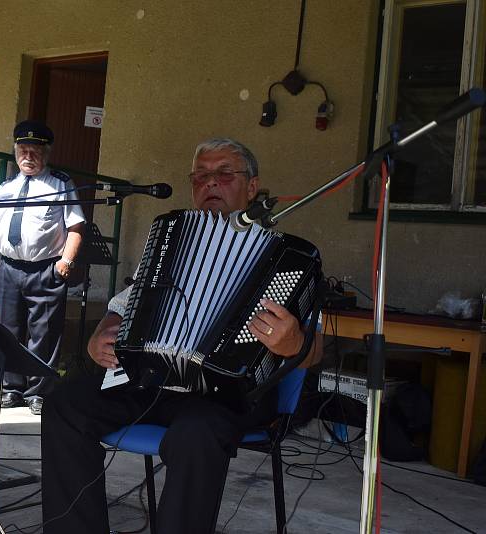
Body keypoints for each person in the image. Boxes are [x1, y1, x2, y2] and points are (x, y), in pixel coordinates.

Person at [41, 138, 323, 533]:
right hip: (153, 381)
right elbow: (125, 305)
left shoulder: (283, 256)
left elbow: (313, 349)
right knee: (64, 404)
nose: (211, 184)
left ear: (252, 186)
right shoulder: (171, 236)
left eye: (224, 174)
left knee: (195, 434)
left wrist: (295, 345)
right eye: (201, 176)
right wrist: (100, 336)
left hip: (229, 395)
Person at [0, 120, 85, 416]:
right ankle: (11, 387)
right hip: (9, 267)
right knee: (8, 330)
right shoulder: (7, 187)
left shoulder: (61, 184)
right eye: (23, 149)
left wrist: (66, 261)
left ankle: (39, 392)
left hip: (46, 268)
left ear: (46, 153)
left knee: (44, 332)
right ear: (15, 151)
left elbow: (76, 226)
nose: (28, 156)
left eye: (35, 151)